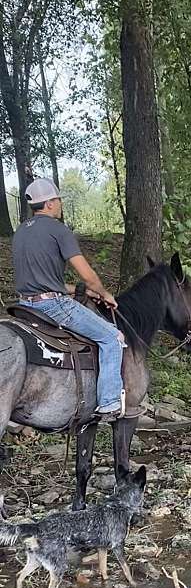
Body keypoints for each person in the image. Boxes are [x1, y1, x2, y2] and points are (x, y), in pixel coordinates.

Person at [11, 178, 126, 419]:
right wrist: (103, 293)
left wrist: (83, 291)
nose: (60, 204)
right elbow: (88, 274)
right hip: (53, 306)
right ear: (50, 203)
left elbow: (46, 280)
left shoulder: (20, 232)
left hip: (24, 306)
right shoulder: (58, 230)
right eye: (58, 200)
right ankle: (109, 402)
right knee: (112, 337)